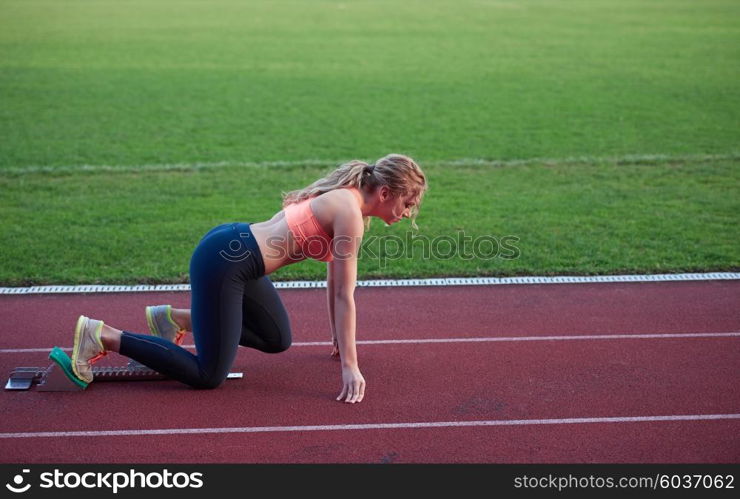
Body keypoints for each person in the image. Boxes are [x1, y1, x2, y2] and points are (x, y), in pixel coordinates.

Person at [70, 154, 427, 403]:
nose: (407, 213)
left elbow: (336, 284)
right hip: (228, 262)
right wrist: (350, 367)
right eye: (407, 204)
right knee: (208, 375)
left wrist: (337, 335)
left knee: (276, 338)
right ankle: (101, 335)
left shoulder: (349, 204)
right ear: (385, 193)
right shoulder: (349, 212)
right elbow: (345, 297)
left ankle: (173, 319)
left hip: (236, 249)